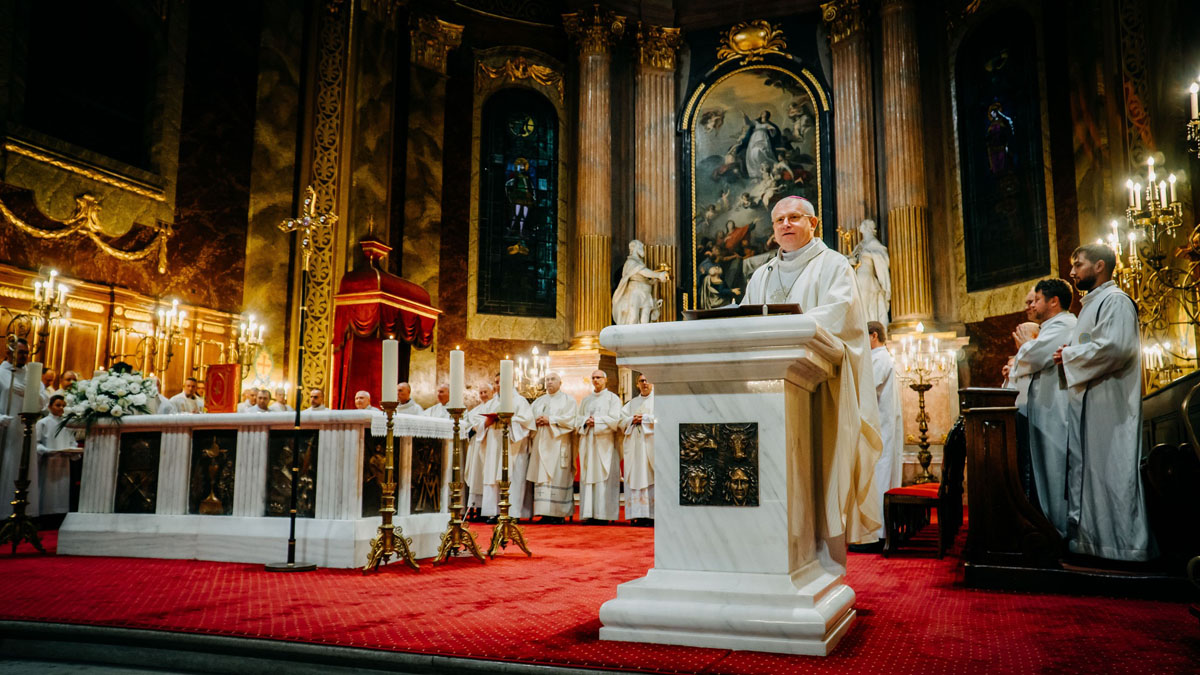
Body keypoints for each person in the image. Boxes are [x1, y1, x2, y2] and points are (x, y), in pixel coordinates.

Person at [740, 195, 883, 558]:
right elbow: (744, 320)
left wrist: (784, 327)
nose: (785, 225)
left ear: (813, 223)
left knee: (816, 470)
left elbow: (840, 314)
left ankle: (817, 557)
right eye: (779, 221)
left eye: (794, 217)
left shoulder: (834, 265)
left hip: (820, 389)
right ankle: (771, 549)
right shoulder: (762, 274)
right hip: (765, 393)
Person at [1053, 244, 1152, 561]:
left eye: (1078, 264)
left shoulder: (1116, 301)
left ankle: (1125, 548)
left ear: (1099, 266)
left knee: (1114, 474)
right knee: (1094, 476)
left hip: (1112, 407)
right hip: (1092, 405)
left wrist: (1070, 355)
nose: (1072, 272)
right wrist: (1071, 355)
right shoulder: (1091, 305)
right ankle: (1093, 544)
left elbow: (1117, 348)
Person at [1010, 278, 1077, 536]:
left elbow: (1033, 357)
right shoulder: (1052, 326)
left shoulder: (1064, 325)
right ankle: (1050, 530)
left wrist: (1024, 347)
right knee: (1044, 472)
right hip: (1044, 411)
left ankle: (1059, 532)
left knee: (1054, 471)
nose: (1032, 305)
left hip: (1055, 411)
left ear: (1053, 301)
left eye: (1037, 299)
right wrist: (1026, 351)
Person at [477, 375, 535, 520]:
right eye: (496, 382)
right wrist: (486, 423)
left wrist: (510, 420)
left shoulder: (520, 401)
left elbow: (527, 422)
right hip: (494, 445)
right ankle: (495, 512)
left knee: (513, 478)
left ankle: (512, 513)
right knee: (493, 476)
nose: (498, 385)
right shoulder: (491, 403)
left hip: (513, 445)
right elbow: (479, 423)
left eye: (501, 382)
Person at [867, 322, 903, 546]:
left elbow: (866, 388)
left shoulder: (879, 359)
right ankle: (880, 532)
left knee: (879, 478)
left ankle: (877, 535)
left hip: (881, 428)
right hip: (882, 426)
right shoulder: (880, 358)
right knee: (880, 476)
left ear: (874, 336)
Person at [0, 339, 44, 518]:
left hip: (25, 430)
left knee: (23, 467)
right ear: (9, 352)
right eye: (21, 352)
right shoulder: (1, 373)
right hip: (4, 430)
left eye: (26, 352)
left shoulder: (30, 375)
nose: (24, 356)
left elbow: (43, 401)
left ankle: (23, 513)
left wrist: (31, 393)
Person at [575, 370, 623, 523]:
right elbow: (577, 420)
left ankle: (604, 515)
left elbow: (616, 420)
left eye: (599, 377)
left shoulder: (613, 399)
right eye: (593, 378)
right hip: (588, 444)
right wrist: (585, 421)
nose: (596, 380)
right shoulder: (586, 400)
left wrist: (596, 421)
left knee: (603, 478)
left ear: (605, 380)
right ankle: (589, 514)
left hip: (605, 444)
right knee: (588, 478)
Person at [529, 372, 577, 522]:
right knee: (542, 477)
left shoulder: (568, 400)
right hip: (540, 444)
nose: (549, 382)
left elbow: (572, 420)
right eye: (547, 380)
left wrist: (550, 420)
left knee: (557, 476)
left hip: (558, 444)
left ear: (560, 383)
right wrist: (535, 422)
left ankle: (558, 514)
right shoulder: (538, 401)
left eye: (553, 379)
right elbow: (528, 420)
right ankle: (544, 513)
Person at [620, 374, 656, 526]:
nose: (645, 383)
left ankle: (651, 515)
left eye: (647, 380)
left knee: (650, 477)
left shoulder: (659, 400)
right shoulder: (631, 403)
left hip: (651, 447)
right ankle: (637, 515)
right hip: (634, 448)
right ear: (637, 384)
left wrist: (645, 419)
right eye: (641, 381)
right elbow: (620, 421)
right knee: (635, 477)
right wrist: (631, 420)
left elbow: (663, 419)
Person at [36, 394, 80, 518]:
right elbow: (36, 443)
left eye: (63, 406)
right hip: (48, 462)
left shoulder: (67, 424)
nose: (61, 408)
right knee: (47, 489)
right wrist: (47, 451)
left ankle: (61, 515)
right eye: (58, 405)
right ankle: (45, 515)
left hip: (63, 462)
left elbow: (72, 442)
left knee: (62, 489)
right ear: (49, 406)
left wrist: (73, 451)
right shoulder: (42, 423)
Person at [848, 220, 891, 326]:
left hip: (867, 277)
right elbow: (853, 258)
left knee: (866, 299)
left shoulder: (873, 243)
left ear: (868, 228)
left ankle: (869, 324)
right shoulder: (860, 245)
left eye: (862, 225)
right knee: (858, 301)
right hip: (858, 277)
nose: (860, 227)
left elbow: (883, 258)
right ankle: (862, 326)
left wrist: (868, 254)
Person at [464, 383, 496, 515]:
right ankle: (476, 507)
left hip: (490, 445)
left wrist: (477, 427)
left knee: (487, 476)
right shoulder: (474, 411)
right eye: (481, 392)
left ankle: (486, 507)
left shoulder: (495, 406)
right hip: (476, 446)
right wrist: (472, 429)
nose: (483, 395)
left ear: (492, 392)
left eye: (485, 392)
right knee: (476, 475)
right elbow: (467, 427)